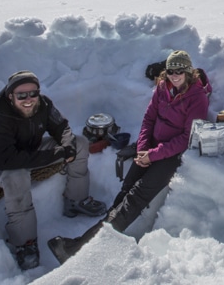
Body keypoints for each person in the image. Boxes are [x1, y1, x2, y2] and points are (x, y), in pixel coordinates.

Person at [48, 50, 210, 264]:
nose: (175, 75)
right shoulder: (163, 87)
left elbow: (186, 137)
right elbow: (149, 119)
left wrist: (153, 155)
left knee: (135, 197)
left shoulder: (196, 97)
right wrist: (143, 148)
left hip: (171, 155)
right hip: (150, 148)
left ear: (188, 71)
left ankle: (79, 248)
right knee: (125, 190)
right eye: (171, 70)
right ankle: (99, 241)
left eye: (180, 70)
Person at [0, 70, 106, 270]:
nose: (28, 99)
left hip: (31, 150)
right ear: (10, 96)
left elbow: (61, 127)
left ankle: (76, 200)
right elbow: (6, 161)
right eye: (21, 95)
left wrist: (68, 145)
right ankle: (24, 242)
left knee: (80, 142)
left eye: (33, 93)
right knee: (17, 175)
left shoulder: (43, 104)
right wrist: (57, 154)